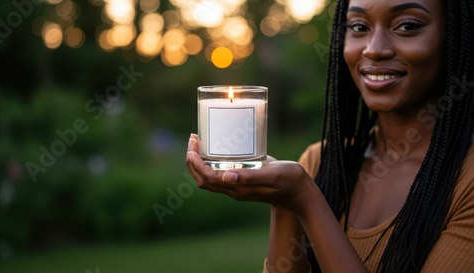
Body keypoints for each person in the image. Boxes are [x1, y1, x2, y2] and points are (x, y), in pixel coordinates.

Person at [185, 0, 474, 272]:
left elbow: (302, 193)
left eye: (407, 26)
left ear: (456, 35)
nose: (374, 49)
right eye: (359, 27)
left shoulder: (467, 181)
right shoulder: (319, 162)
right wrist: (284, 200)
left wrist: (305, 199)